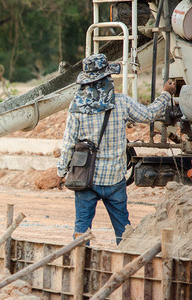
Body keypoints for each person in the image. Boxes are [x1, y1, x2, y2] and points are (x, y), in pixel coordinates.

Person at [56, 53, 176, 244]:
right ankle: (125, 260)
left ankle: (81, 265)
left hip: (85, 179)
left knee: (81, 228)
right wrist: (166, 94)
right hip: (114, 179)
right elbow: (149, 114)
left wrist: (61, 171)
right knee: (123, 229)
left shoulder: (76, 107)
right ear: (107, 79)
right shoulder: (121, 102)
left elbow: (68, 143)